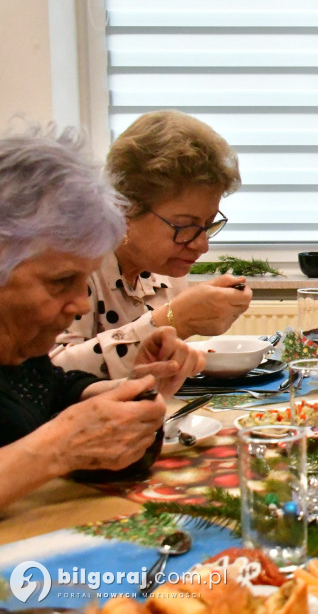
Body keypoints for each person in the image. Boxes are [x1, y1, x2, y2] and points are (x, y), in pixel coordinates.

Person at [0, 124, 203, 508]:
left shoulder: (18, 350)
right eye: (61, 281)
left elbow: (48, 389)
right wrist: (57, 449)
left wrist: (124, 390)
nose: (79, 303)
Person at [50, 110, 252, 379]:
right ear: (125, 208)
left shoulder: (164, 272)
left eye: (207, 225)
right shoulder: (75, 263)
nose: (202, 245)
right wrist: (172, 320)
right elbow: (52, 375)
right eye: (186, 227)